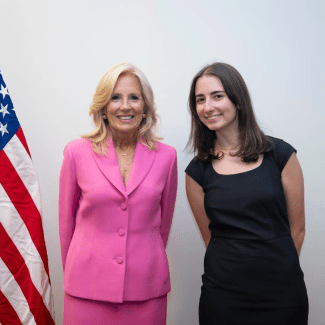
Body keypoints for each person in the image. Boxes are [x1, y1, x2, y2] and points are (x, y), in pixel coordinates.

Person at [185, 62, 308, 325]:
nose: (208, 107)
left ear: (237, 99)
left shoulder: (281, 155)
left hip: (282, 294)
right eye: (200, 100)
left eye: (217, 96)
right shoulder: (197, 172)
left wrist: (275, 273)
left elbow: (297, 231)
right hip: (223, 298)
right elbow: (211, 239)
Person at [59, 63, 177, 325]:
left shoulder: (167, 156)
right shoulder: (76, 153)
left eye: (134, 97)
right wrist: (74, 274)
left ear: (145, 107)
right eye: (115, 97)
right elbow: (66, 223)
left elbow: (162, 224)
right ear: (103, 107)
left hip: (146, 291)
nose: (125, 106)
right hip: (86, 290)